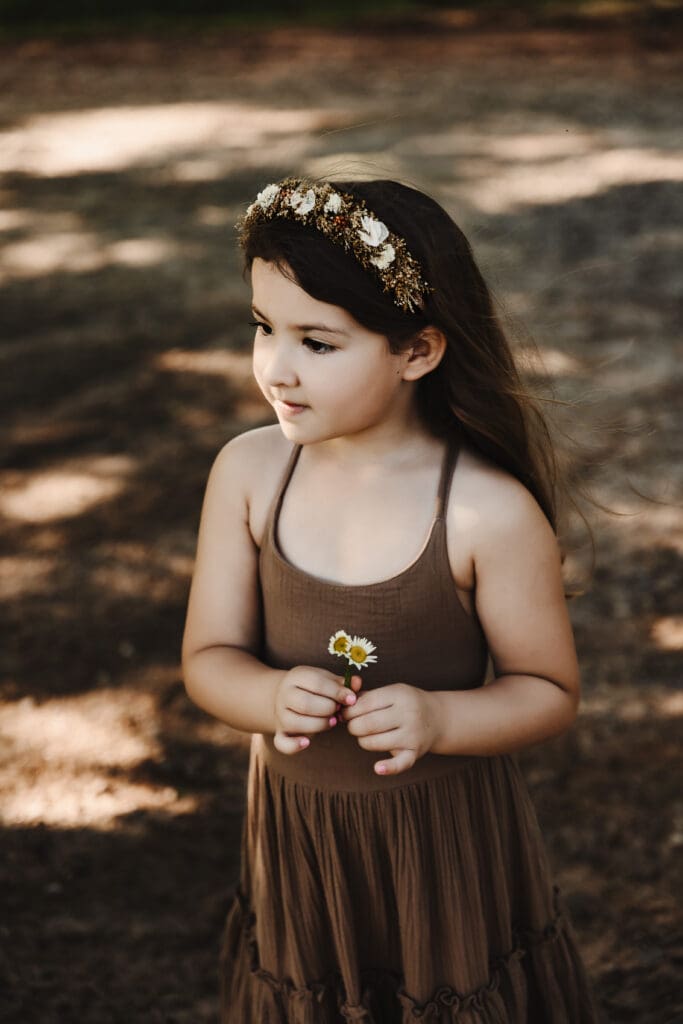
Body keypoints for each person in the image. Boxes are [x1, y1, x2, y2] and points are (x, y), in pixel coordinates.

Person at [181, 176, 603, 1022]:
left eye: (318, 343)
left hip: (442, 850)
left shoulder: (484, 511)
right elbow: (207, 659)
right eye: (264, 329)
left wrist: (442, 721)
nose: (276, 368)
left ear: (416, 351)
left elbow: (548, 691)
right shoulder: (250, 474)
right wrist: (264, 694)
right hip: (302, 843)